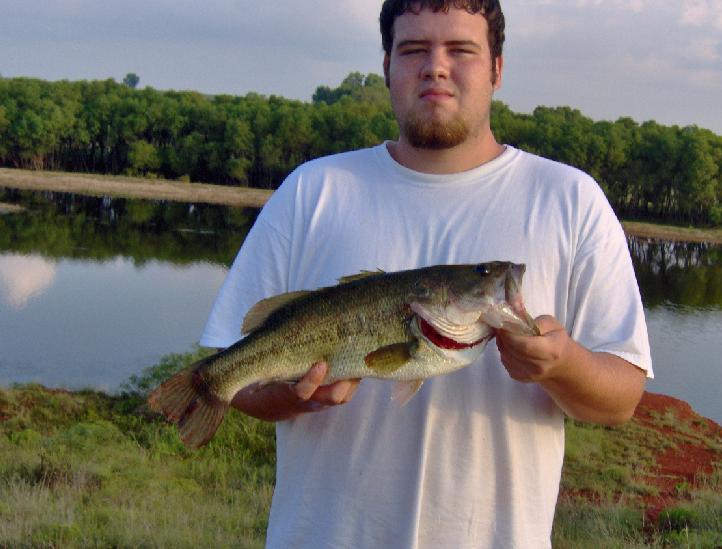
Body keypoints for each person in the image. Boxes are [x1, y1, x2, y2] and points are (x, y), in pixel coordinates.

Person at [199, 0, 653, 547]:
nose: (436, 67)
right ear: (387, 66)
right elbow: (236, 375)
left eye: (461, 49)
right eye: (414, 49)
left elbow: (622, 399)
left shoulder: (571, 200)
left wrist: (563, 365)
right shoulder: (312, 191)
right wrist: (297, 395)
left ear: (497, 68)